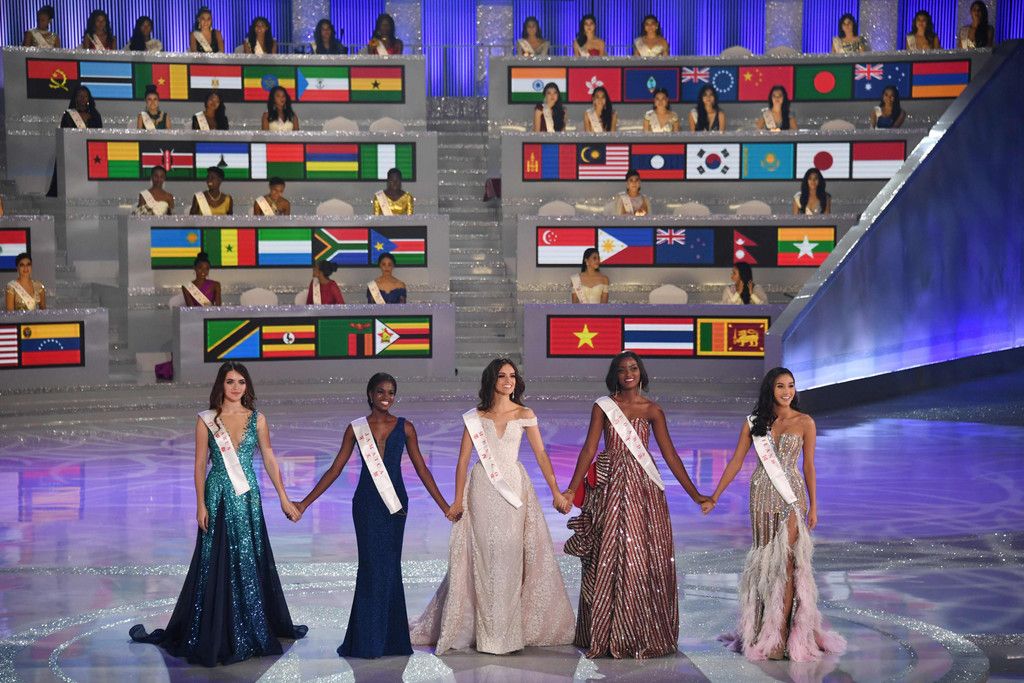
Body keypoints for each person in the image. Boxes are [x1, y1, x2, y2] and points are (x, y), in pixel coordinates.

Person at [129, 362, 306, 666]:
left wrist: (283, 497)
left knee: (248, 558)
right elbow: (200, 464)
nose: (236, 387)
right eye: (230, 381)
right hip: (218, 495)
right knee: (216, 559)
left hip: (247, 496)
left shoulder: (258, 419)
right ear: (220, 385)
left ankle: (249, 625)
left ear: (247, 386)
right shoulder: (207, 420)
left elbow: (269, 458)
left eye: (241, 382)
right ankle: (216, 627)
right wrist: (200, 504)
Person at [410, 359, 576, 654]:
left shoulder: (525, 414)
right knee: (484, 557)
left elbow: (541, 455)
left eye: (512, 375)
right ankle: (485, 633)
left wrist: (556, 492)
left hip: (512, 489)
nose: (508, 380)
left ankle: (505, 634)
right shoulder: (475, 417)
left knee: (510, 557)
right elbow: (463, 460)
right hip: (482, 489)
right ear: (491, 380)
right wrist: (457, 500)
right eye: (501, 376)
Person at [563, 352, 710, 658]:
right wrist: (571, 488)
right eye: (622, 369)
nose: (628, 373)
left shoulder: (652, 410)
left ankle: (637, 630)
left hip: (644, 491)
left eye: (633, 368)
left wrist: (696, 494)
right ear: (615, 375)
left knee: (640, 556)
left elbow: (670, 455)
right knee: (609, 554)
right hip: (610, 488)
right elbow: (589, 449)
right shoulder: (603, 406)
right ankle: (606, 630)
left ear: (641, 373)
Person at [293, 373, 450, 658]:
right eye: (380, 391)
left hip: (395, 506)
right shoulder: (356, 429)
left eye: (391, 392)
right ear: (370, 394)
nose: (386, 397)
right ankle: (366, 640)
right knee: (369, 568)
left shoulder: (406, 428)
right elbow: (335, 469)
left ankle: (392, 641)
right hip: (366, 504)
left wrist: (445, 507)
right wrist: (304, 503)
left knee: (390, 568)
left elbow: (422, 470)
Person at [701, 368, 847, 661]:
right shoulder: (755, 422)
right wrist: (715, 496)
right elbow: (735, 461)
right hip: (761, 497)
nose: (787, 391)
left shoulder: (805, 422)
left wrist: (814, 505)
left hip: (792, 496)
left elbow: (809, 466)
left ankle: (781, 634)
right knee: (765, 563)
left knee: (788, 563)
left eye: (791, 386)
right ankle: (760, 631)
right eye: (780, 386)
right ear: (770, 389)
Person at [48, 85, 101, 196]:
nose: (82, 99)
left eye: (85, 96)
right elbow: (64, 135)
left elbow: (99, 135)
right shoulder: (68, 115)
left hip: (89, 154)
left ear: (89, 98)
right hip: (72, 154)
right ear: (75, 98)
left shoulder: (95, 115)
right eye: (80, 96)